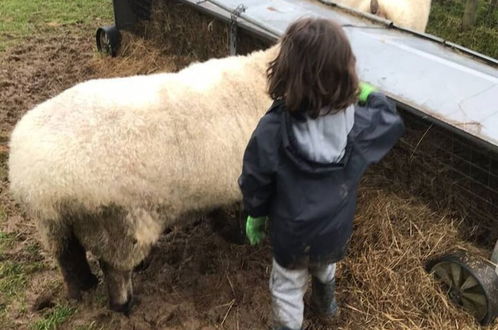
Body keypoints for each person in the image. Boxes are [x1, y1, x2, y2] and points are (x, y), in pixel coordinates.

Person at [238, 17, 405, 330]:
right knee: (324, 264)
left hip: (291, 234)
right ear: (346, 72)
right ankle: (326, 305)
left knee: (287, 285)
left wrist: (255, 214)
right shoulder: (358, 123)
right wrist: (366, 93)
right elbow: (390, 120)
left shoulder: (274, 128)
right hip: (335, 230)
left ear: (287, 70)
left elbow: (254, 178)